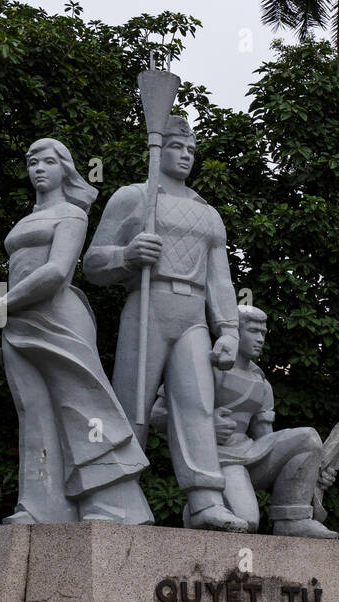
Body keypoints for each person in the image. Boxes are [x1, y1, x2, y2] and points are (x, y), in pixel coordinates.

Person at [84, 114, 247, 532]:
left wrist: (228, 329)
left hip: (192, 313)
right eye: (178, 147)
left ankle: (205, 500)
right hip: (147, 304)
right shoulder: (132, 198)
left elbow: (221, 278)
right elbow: (92, 263)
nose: (186, 156)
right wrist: (127, 255)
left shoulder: (207, 214)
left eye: (192, 150)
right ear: (159, 150)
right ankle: (116, 490)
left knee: (196, 402)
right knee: (132, 404)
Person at [0, 138, 152, 525]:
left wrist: (4, 303)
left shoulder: (73, 215)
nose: (38, 168)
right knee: (33, 412)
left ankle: (110, 505)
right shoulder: (24, 222)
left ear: (65, 169)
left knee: (84, 409)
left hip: (58, 318)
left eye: (48, 161)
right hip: (18, 321)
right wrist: (8, 310)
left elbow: (57, 272)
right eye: (32, 162)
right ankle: (40, 508)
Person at [209, 305, 337, 538]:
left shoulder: (261, 383)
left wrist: (313, 468)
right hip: (219, 459)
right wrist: (206, 426)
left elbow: (266, 440)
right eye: (253, 331)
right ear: (235, 331)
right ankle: (199, 507)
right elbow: (161, 413)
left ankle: (292, 519)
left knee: (307, 438)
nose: (260, 339)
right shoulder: (208, 369)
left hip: (250, 453)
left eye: (263, 333)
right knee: (246, 521)